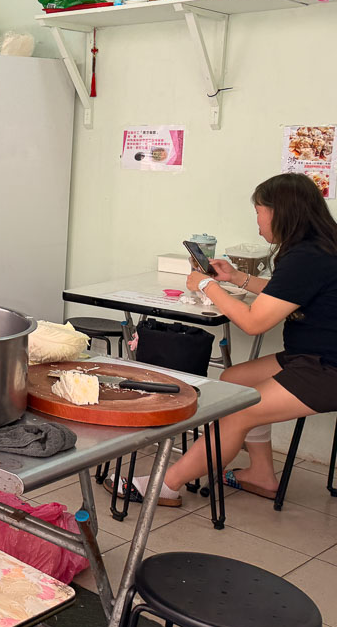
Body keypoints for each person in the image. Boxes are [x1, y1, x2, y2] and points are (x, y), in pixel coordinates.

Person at [112, 173, 337, 507]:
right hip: (311, 357)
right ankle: (262, 474)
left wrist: (207, 286)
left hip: (327, 369)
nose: (258, 222)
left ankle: (166, 485)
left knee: (235, 410)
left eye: (259, 212)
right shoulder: (318, 248)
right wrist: (236, 278)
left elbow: (253, 322)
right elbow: (286, 294)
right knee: (233, 381)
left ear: (279, 212)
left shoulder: (307, 258)